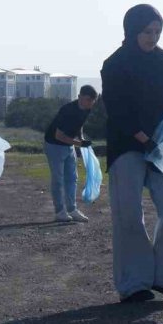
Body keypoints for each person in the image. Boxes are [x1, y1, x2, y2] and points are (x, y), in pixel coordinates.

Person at [101, 4, 163, 304]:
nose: (153, 37)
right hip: (127, 145)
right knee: (129, 214)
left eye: (157, 32)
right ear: (132, 31)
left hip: (160, 147)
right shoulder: (114, 64)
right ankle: (135, 283)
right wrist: (143, 139)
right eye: (147, 32)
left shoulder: (162, 62)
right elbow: (118, 111)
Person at [43, 85, 98, 223]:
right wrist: (79, 144)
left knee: (72, 178)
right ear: (79, 97)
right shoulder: (67, 110)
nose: (90, 103)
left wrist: (81, 138)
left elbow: (80, 124)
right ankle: (60, 212)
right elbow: (59, 135)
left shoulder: (87, 109)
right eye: (88, 99)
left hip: (69, 145)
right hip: (54, 145)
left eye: (93, 100)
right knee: (58, 179)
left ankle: (72, 209)